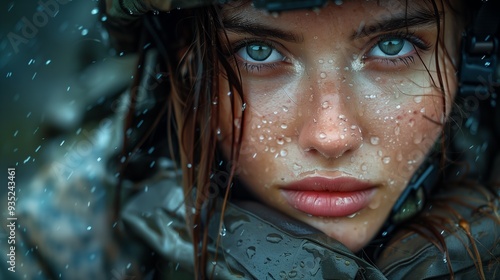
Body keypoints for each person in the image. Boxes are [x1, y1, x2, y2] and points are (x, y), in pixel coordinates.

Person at [14, 0, 495, 279]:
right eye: (258, 51)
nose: (332, 135)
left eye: (394, 46)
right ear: (186, 72)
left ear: (472, 63)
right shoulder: (51, 246)